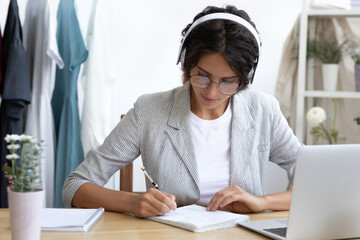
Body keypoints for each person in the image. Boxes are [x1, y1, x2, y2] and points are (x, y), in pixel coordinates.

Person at [63, 5, 301, 218]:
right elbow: (75, 185)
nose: (212, 92)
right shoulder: (149, 111)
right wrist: (133, 201)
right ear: (186, 62)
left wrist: (260, 202)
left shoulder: (263, 109)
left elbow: (315, 182)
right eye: (202, 76)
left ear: (246, 78)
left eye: (228, 82)